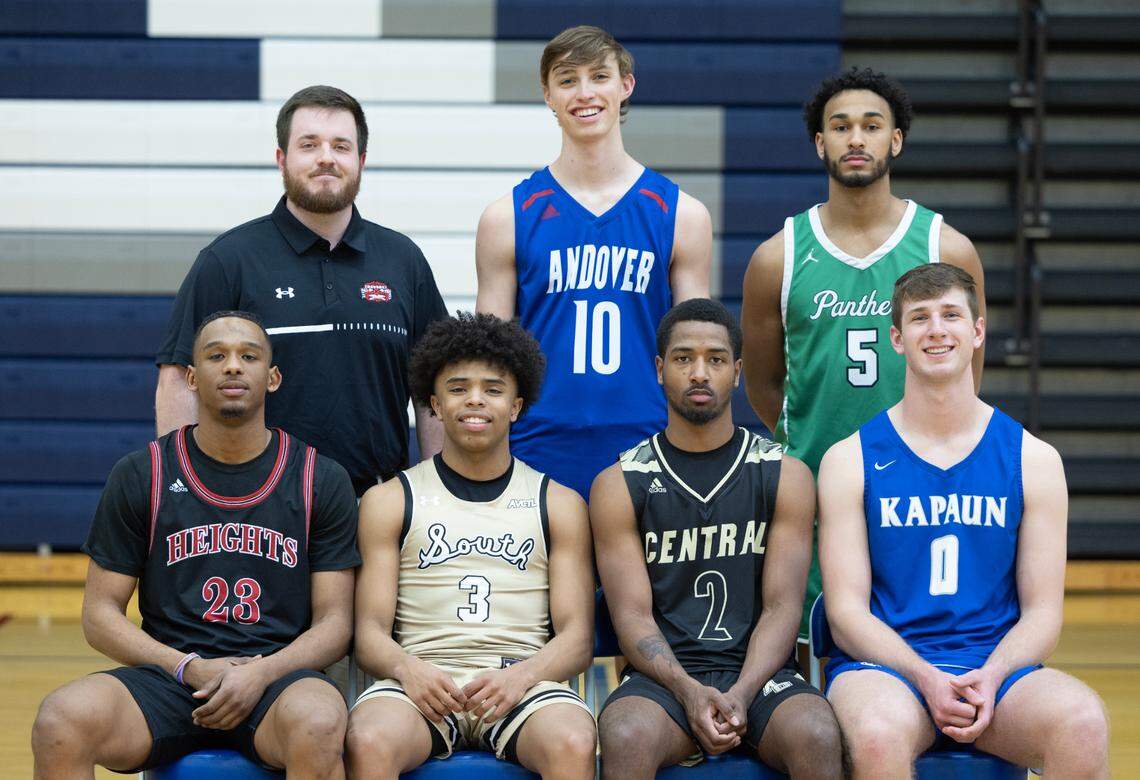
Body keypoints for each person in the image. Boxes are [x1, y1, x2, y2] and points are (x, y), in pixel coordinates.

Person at [31, 311, 360, 777]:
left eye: (248, 356)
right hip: (169, 679)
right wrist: (188, 667)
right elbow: (99, 616)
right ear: (190, 376)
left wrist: (260, 673)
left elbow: (335, 623)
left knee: (321, 722)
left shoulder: (320, 478)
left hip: (276, 681)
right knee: (59, 721)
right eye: (216, 355)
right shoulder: (143, 473)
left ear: (273, 377)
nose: (232, 366)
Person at [818, 264, 1109, 778]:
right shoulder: (850, 460)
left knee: (1082, 722)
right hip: (885, 671)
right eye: (919, 318)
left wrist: (993, 674)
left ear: (977, 332)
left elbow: (1043, 613)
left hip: (997, 669)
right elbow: (845, 613)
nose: (936, 329)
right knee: (877, 737)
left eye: (951, 315)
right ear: (896, 339)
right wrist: (925, 677)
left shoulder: (1034, 460)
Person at [741, 67, 987, 639]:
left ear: (894, 140)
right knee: (810, 655)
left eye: (872, 126)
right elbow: (762, 383)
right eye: (841, 126)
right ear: (819, 142)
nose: (857, 138)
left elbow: (966, 373)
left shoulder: (945, 248)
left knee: (924, 645)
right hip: (819, 490)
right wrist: (810, 442)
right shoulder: (777, 258)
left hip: (924, 488)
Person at [156, 84, 448, 499]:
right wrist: (180, 492)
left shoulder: (404, 261)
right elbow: (179, 380)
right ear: (282, 159)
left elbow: (432, 391)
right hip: (257, 509)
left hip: (376, 507)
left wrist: (435, 498)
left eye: (341, 146)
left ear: (360, 161)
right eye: (309, 144)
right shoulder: (229, 260)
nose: (326, 157)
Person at [591, 299, 842, 779]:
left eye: (716, 359)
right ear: (660, 370)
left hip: (762, 676)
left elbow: (782, 609)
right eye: (684, 359)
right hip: (661, 682)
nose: (700, 372)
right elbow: (631, 616)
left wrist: (742, 693)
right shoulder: (620, 482)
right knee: (625, 734)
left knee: (817, 732)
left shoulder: (784, 474)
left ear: (738, 372)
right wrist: (688, 690)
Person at [345, 313, 596, 779]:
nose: (475, 400)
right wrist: (408, 669)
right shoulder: (389, 500)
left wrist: (522, 676)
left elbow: (578, 637)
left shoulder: (558, 503)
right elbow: (369, 633)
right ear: (435, 405)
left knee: (574, 741)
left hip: (522, 682)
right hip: (421, 682)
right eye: (458, 388)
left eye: (493, 389)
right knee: (369, 739)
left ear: (517, 406)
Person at [476, 25, 712, 500]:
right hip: (537, 446)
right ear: (547, 94)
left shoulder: (682, 214)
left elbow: (699, 355)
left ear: (625, 85)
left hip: (651, 446)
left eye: (598, 77)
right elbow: (489, 360)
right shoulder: (506, 217)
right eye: (567, 80)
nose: (584, 94)